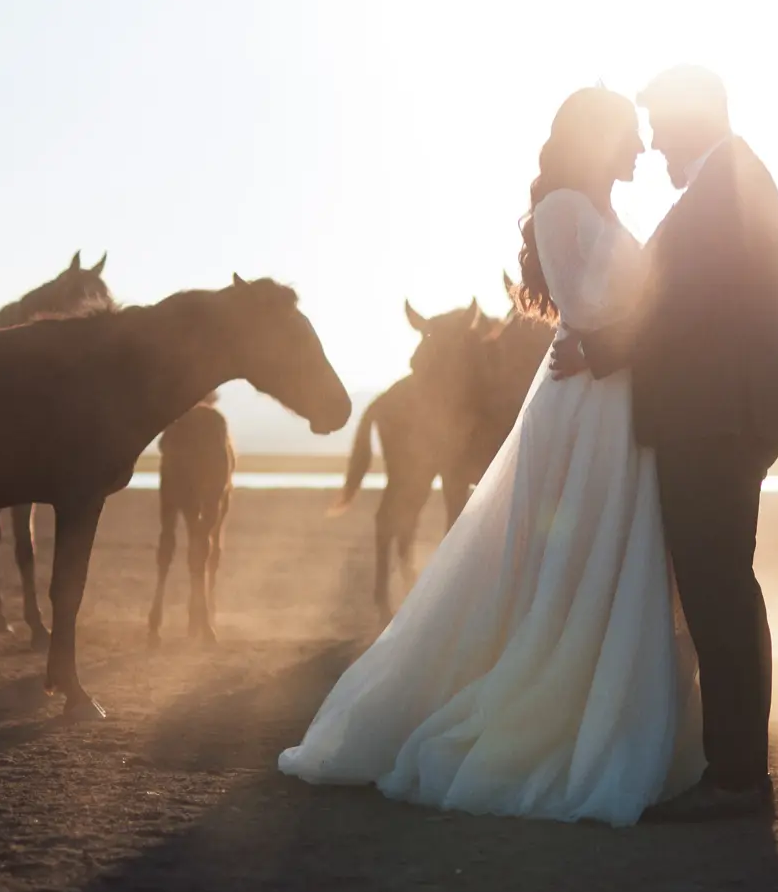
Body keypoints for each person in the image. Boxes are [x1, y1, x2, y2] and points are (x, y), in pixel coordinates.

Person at [277, 85, 704, 826]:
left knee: (614, 556)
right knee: (574, 560)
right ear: (597, 136)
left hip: (617, 396)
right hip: (589, 406)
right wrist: (657, 318)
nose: (640, 146)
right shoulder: (563, 208)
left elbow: (623, 313)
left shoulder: (601, 212)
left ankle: (601, 697)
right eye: (629, 134)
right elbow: (596, 307)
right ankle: (545, 706)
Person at [551, 64, 778, 821]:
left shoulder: (726, 192)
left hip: (711, 420)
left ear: (694, 118)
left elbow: (682, 305)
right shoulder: (730, 184)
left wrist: (600, 351)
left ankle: (735, 778)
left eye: (658, 127)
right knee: (729, 590)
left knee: (716, 592)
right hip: (724, 416)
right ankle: (742, 768)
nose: (652, 147)